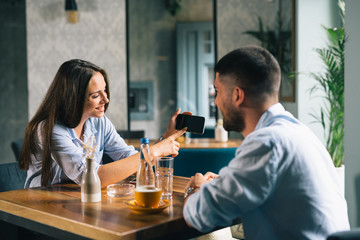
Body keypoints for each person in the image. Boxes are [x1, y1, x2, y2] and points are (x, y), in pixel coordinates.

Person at [183, 46, 350, 239]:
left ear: (237, 95)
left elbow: (201, 215)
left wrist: (196, 188)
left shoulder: (267, 142)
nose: (216, 102)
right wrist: (221, 184)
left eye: (218, 91)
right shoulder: (298, 132)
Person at [19, 59, 186, 188]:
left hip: (77, 201)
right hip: (43, 209)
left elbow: (132, 161)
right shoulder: (49, 130)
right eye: (95, 95)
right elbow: (91, 178)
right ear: (73, 99)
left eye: (105, 90)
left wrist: (166, 138)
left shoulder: (99, 122)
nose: (106, 99)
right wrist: (155, 151)